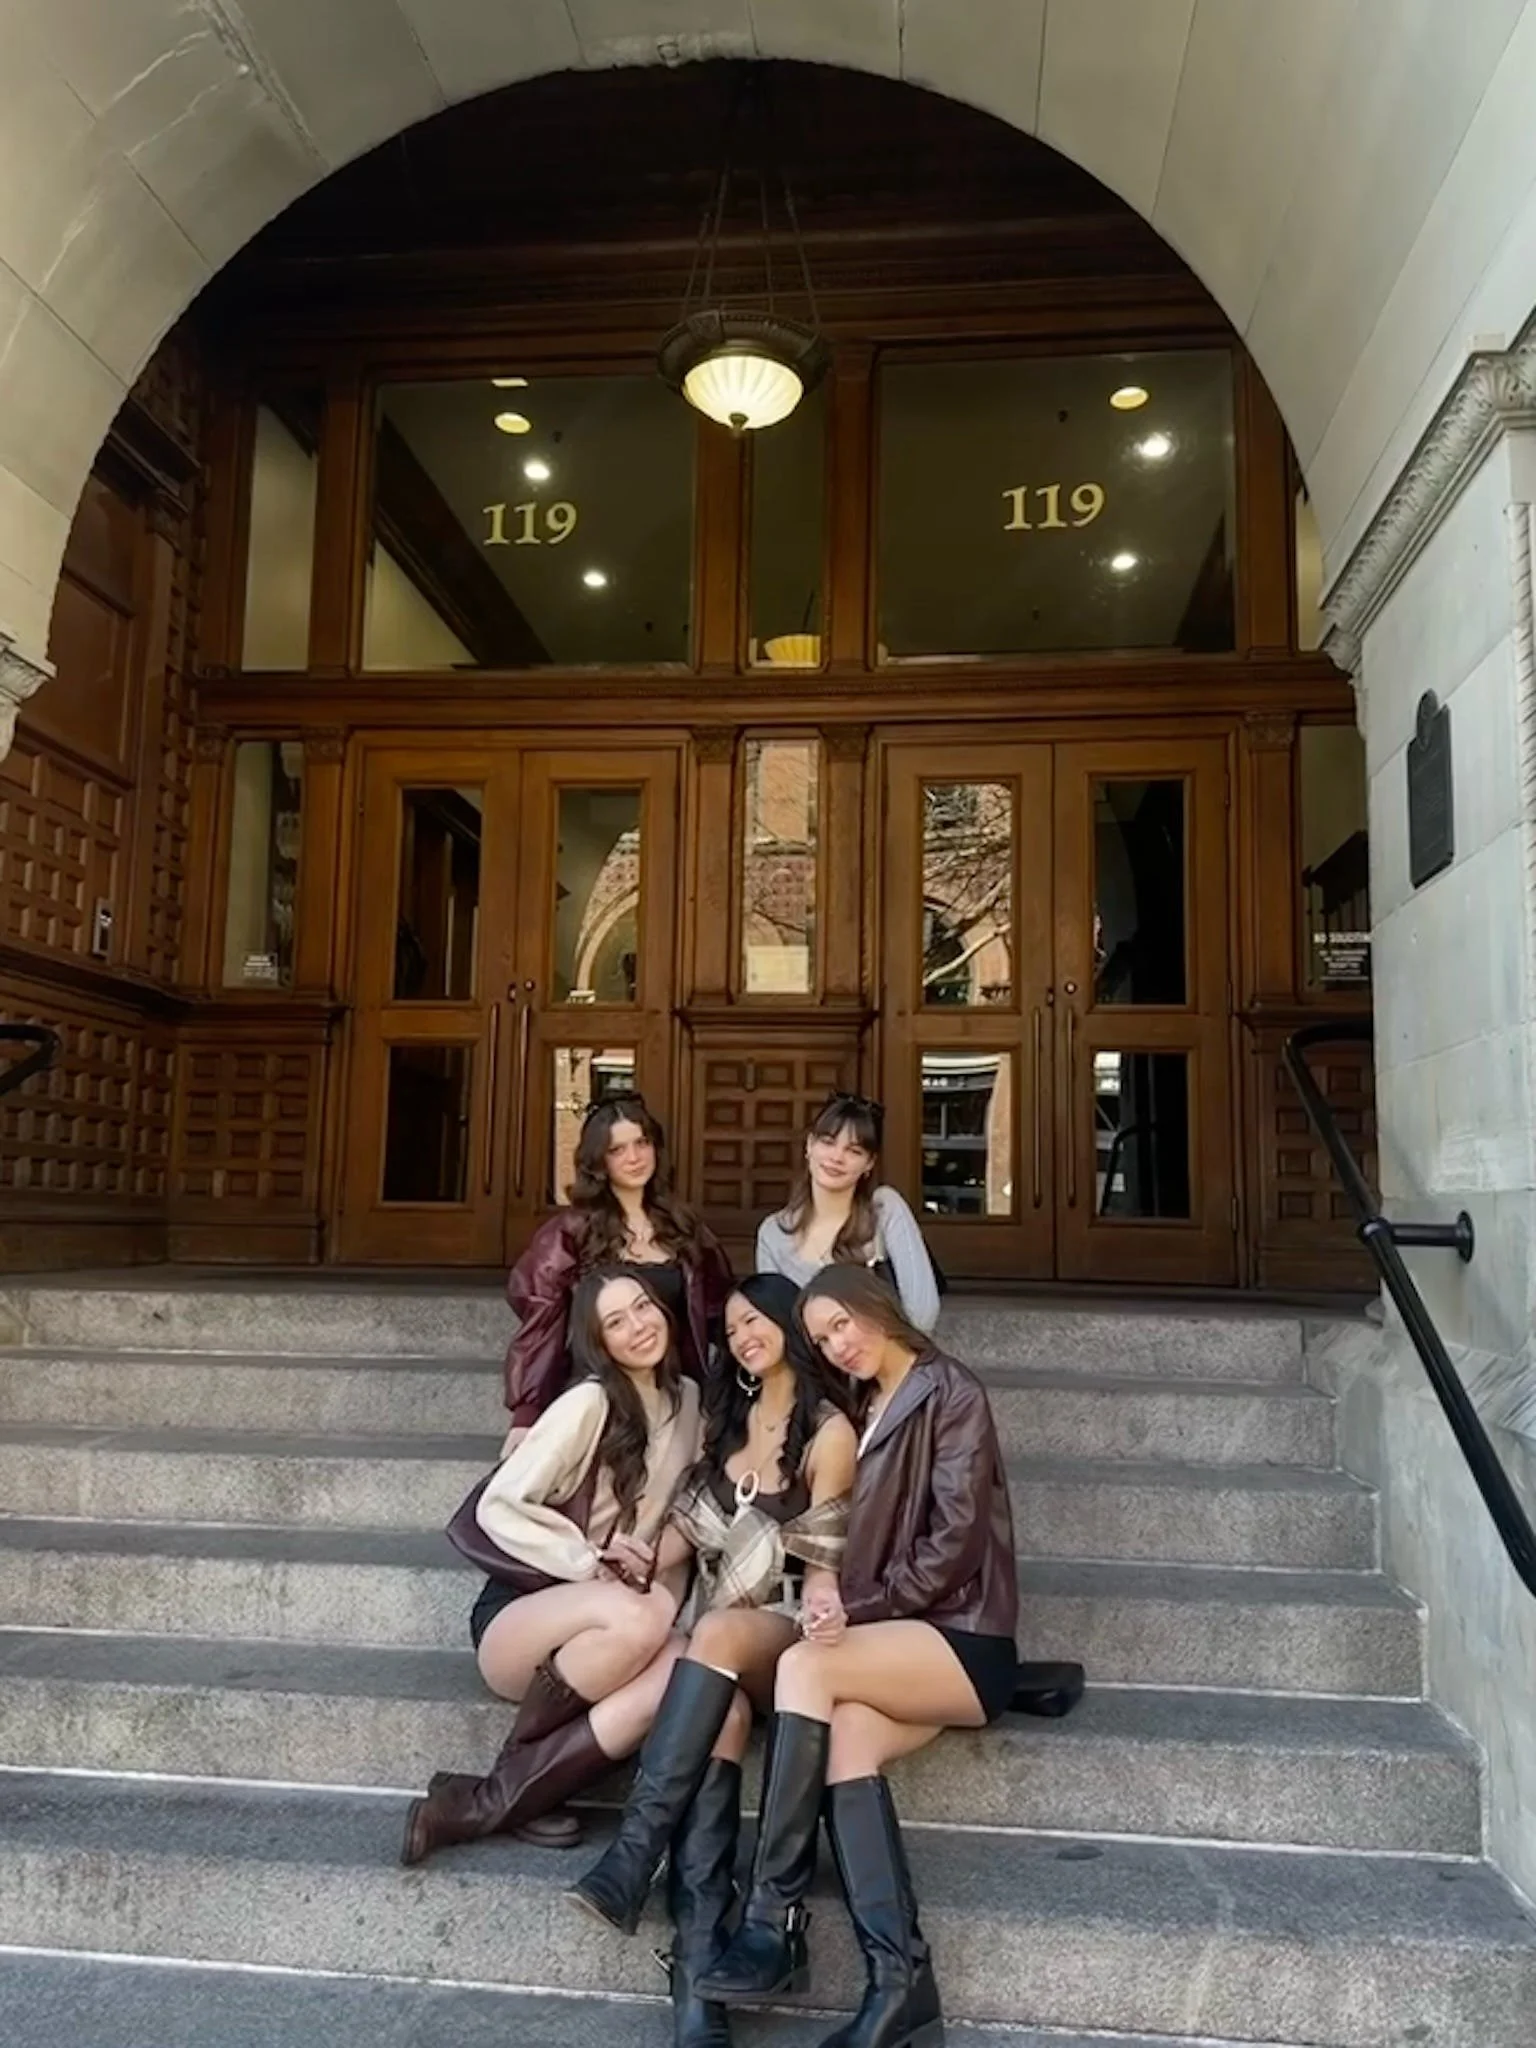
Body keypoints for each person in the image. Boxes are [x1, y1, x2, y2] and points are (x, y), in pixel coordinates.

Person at [695, 1266, 1018, 2048]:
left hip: (962, 1633)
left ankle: (772, 1919)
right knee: (849, 1739)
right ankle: (899, 1986)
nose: (840, 1344)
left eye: (845, 1324)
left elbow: (953, 1547)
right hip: (896, 1635)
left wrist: (850, 1608)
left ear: (879, 1308)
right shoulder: (861, 1404)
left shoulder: (952, 1392)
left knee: (808, 1666)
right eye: (824, 1338)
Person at [566, 1273, 857, 2048]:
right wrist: (630, 1557)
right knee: (720, 1705)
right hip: (720, 1662)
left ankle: (635, 1852)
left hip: (791, 1639)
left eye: (757, 1320)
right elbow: (687, 1536)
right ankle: (696, 1976)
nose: (744, 1337)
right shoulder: (729, 1421)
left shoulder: (828, 1432)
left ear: (791, 1325)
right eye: (732, 1329)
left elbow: (825, 1558)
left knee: (720, 1634)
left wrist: (826, 1603)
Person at [400, 1268, 702, 1865]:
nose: (638, 1326)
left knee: (680, 1664)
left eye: (643, 1308)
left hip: (613, 1621)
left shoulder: (689, 1401)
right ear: (599, 1342)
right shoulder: (590, 1401)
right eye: (615, 1322)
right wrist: (586, 1561)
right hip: (524, 1617)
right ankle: (506, 1793)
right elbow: (499, 1504)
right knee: (643, 1618)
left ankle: (502, 1799)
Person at [502, 1093, 733, 1447]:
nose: (634, 1157)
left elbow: (721, 1315)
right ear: (598, 1160)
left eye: (642, 1143)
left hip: (674, 1397)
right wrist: (527, 1413)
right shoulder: (569, 1234)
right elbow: (541, 1323)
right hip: (599, 1397)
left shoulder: (685, 1228)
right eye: (617, 1149)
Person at [756, 1094, 940, 1334]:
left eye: (853, 1151)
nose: (836, 1158)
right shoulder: (774, 1232)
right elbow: (775, 1323)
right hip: (809, 1368)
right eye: (828, 1142)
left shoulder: (885, 1210)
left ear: (869, 1163)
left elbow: (923, 1315)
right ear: (809, 1145)